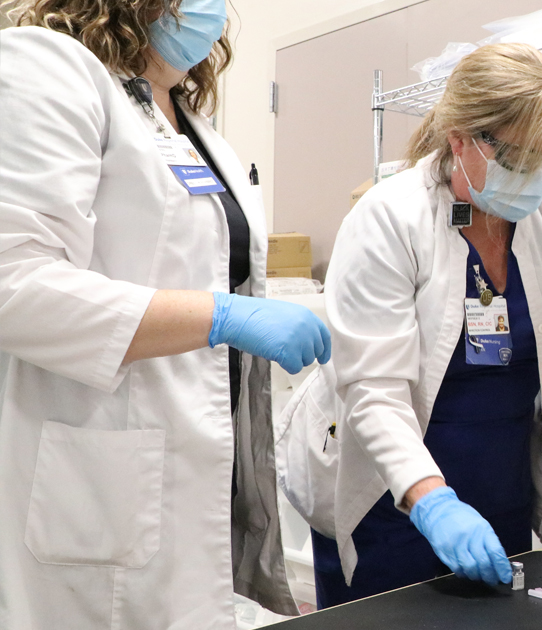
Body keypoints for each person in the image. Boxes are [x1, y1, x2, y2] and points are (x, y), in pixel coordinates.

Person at [278, 43, 542, 607]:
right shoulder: (389, 219)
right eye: (519, 159)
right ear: (461, 139)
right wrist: (432, 503)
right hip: (388, 493)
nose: (536, 178)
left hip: (498, 488)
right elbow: (374, 392)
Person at [0, 0, 331, 627]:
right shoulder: (46, 67)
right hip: (100, 480)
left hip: (202, 463)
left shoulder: (188, 118)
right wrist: (218, 317)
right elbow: (12, 285)